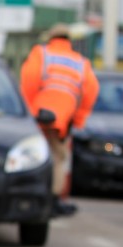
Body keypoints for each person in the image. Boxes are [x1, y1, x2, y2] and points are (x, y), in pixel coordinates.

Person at [20, 23, 99, 216]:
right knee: (58, 157)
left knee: (32, 156)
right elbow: (91, 91)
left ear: (51, 38)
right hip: (62, 118)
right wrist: (77, 119)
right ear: (68, 41)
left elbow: (28, 80)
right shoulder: (80, 62)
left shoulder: (41, 54)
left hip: (39, 116)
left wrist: (27, 112)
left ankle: (34, 195)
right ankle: (54, 199)